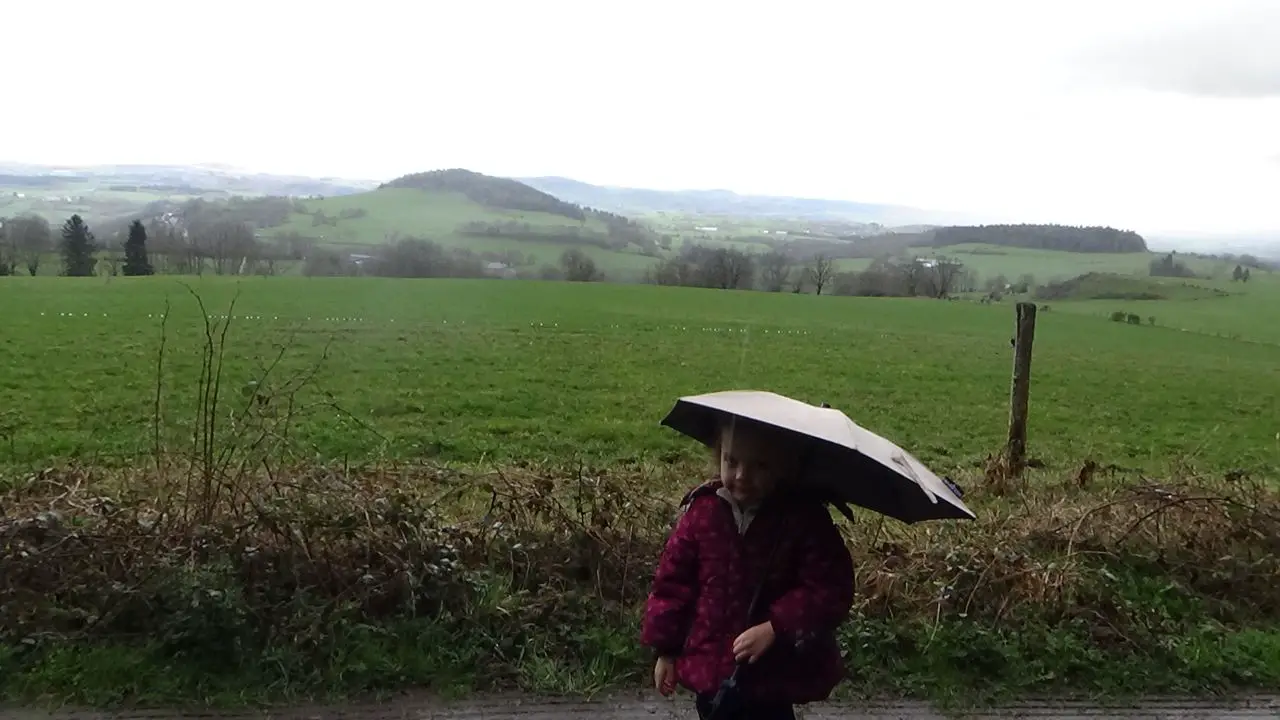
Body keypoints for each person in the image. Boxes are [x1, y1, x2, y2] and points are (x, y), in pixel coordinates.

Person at [640, 418, 856, 720]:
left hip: (772, 675)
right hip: (712, 669)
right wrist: (666, 649)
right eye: (731, 461)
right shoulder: (702, 513)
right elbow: (673, 585)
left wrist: (776, 626)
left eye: (760, 466)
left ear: (783, 467)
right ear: (719, 455)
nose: (741, 475)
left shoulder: (801, 520)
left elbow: (830, 587)